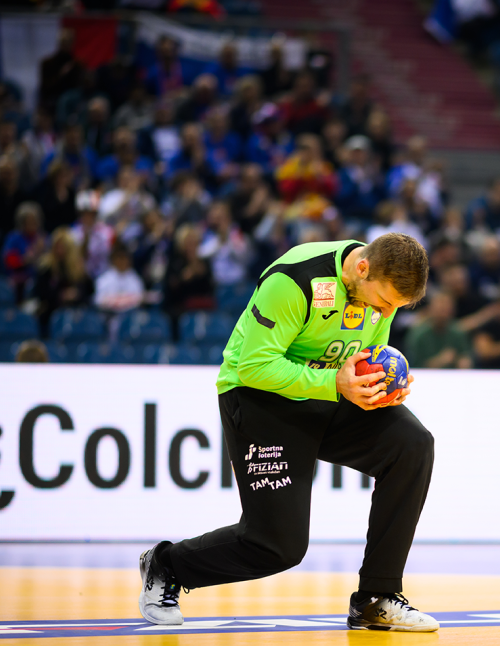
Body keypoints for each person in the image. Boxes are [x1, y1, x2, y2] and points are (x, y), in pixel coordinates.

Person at [137, 233, 439, 632]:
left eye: (394, 309)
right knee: (277, 547)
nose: (385, 314)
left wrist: (377, 389)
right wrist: (336, 384)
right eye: (383, 303)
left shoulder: (381, 294)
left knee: (412, 444)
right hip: (261, 398)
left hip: (327, 388)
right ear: (362, 268)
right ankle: (166, 564)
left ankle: (377, 596)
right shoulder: (295, 278)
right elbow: (254, 367)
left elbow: (366, 356)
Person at [34, 227, 93, 335]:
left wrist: (76, 294)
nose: (60, 251)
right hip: (51, 314)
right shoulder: (46, 268)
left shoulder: (77, 269)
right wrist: (61, 295)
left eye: (63, 247)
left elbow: (89, 291)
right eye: (57, 247)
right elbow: (40, 293)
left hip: (75, 313)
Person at [405, 290, 472, 369]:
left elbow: (466, 356)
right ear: (430, 308)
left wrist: (464, 362)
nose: (443, 312)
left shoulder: (458, 333)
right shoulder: (418, 334)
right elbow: (414, 365)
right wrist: (440, 360)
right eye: (440, 308)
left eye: (446, 308)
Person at [1, 202, 45, 296]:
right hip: (17, 280)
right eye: (30, 221)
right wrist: (26, 259)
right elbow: (9, 261)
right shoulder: (13, 238)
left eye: (35, 221)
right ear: (22, 222)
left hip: (38, 279)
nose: (33, 224)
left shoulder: (43, 238)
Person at [71, 190, 115, 280]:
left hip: (104, 275)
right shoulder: (73, 232)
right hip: (81, 277)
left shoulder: (107, 231)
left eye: (91, 213)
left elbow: (110, 254)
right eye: (85, 213)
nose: (87, 217)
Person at [94, 242, 144, 312]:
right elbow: (98, 301)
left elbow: (139, 300)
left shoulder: (135, 279)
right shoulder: (104, 279)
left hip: (130, 317)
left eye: (124, 258)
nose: (122, 261)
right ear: (113, 260)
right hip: (108, 316)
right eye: (119, 258)